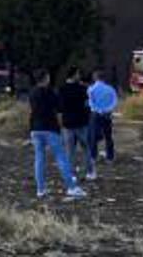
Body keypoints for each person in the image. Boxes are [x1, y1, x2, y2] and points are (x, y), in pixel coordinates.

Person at [29, 69, 87, 199]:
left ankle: (40, 189)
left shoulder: (32, 92)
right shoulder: (50, 92)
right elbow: (59, 108)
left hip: (35, 128)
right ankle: (71, 187)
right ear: (45, 78)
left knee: (39, 159)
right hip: (50, 127)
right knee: (61, 158)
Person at [58, 67, 95, 180]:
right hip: (81, 122)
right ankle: (89, 171)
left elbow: (59, 107)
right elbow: (87, 104)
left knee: (69, 150)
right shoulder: (82, 89)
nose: (80, 76)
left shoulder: (62, 89)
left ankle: (71, 174)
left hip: (67, 123)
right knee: (86, 148)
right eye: (78, 74)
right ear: (74, 75)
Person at [87, 69, 118, 164]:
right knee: (108, 136)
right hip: (107, 114)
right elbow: (114, 102)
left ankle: (93, 157)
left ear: (95, 77)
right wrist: (107, 110)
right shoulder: (110, 89)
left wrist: (98, 110)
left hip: (95, 114)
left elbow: (91, 102)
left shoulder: (91, 89)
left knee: (93, 136)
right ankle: (110, 157)